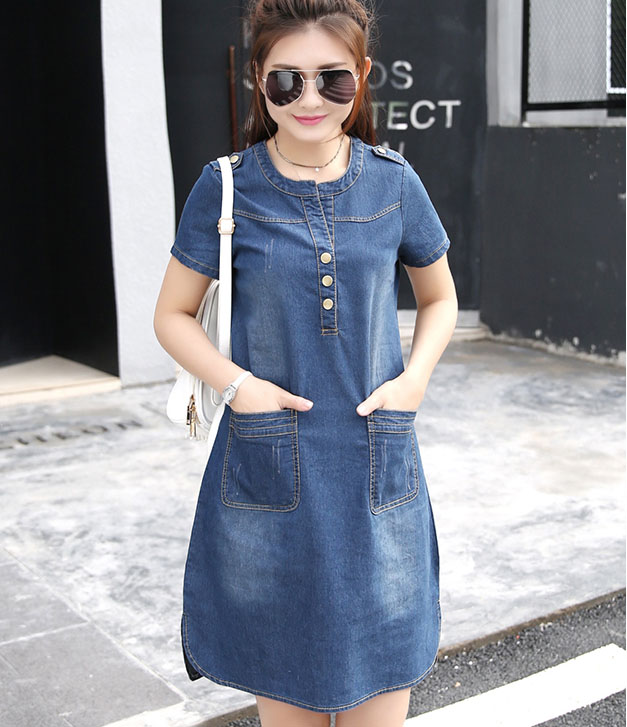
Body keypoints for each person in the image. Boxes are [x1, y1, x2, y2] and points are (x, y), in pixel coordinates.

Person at [153, 0, 458, 724]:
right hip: (269, 468)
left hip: (374, 468)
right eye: (286, 80)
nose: (309, 99)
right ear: (257, 79)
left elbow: (440, 297)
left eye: (333, 79)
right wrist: (239, 386)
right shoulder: (226, 186)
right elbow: (171, 315)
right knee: (283, 667)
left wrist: (413, 381)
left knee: (383, 668)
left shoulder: (394, 183)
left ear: (363, 76)